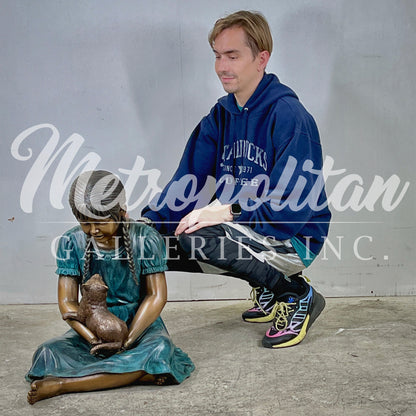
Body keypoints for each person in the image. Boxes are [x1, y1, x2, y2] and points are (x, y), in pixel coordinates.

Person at [141, 10, 331, 349]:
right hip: (250, 232)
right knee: (152, 244)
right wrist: (148, 223)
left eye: (233, 55)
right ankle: (270, 284)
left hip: (295, 237)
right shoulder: (220, 116)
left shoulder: (289, 116)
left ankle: (294, 292)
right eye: (217, 55)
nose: (222, 66)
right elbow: (189, 181)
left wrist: (226, 212)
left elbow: (289, 210)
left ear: (262, 58)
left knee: (202, 236)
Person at [26, 170, 194, 404]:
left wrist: (128, 340)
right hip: (91, 327)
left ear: (122, 213)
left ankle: (63, 385)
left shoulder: (145, 238)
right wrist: (92, 339)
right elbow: (67, 303)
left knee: (159, 349)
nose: (93, 230)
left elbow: (156, 296)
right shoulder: (70, 241)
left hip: (139, 325)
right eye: (85, 223)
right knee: (46, 353)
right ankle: (135, 374)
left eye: (101, 222)